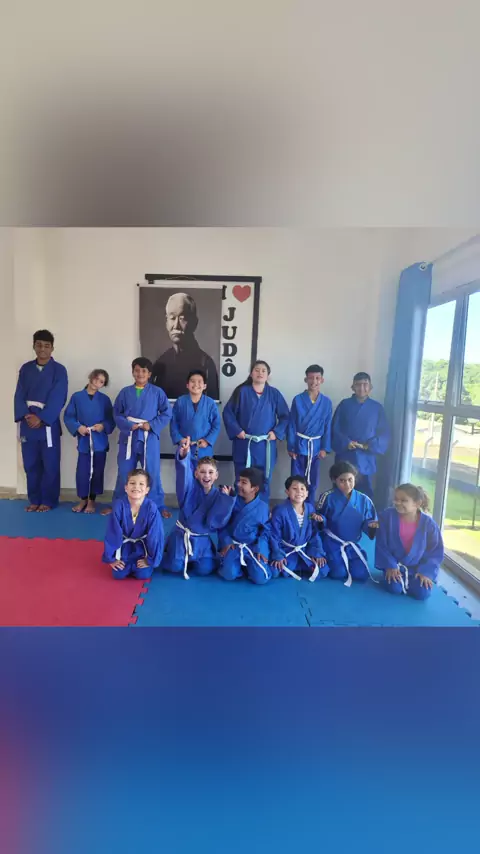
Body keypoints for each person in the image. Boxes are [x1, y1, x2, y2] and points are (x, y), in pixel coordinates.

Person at [161, 436, 235, 579]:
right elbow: (183, 475)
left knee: (205, 570)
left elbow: (218, 522)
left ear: (216, 475)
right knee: (175, 566)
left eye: (210, 472)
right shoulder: (188, 488)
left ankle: (192, 559)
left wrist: (226, 500)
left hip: (201, 541)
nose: (206, 476)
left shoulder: (219, 496)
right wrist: (184, 456)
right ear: (196, 474)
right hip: (182, 537)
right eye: (202, 472)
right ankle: (171, 550)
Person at [14, 329, 68, 512]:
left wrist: (42, 417)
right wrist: (25, 414)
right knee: (30, 463)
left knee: (50, 464)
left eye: (46, 345)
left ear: (52, 348)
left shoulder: (59, 370)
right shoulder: (26, 369)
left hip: (47, 424)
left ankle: (48, 500)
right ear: (34, 346)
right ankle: (34, 499)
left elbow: (59, 396)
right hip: (27, 421)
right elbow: (19, 394)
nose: (42, 349)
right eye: (39, 345)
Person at [222, 360, 290, 503]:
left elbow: (285, 416)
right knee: (242, 478)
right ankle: (240, 509)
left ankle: (262, 510)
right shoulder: (241, 392)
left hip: (265, 446)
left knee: (263, 478)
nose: (260, 373)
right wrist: (237, 430)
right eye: (257, 370)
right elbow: (228, 413)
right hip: (244, 443)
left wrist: (276, 432)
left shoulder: (274, 394)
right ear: (251, 373)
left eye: (263, 371)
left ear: (268, 375)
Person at [113, 357, 172, 518]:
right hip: (129, 436)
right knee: (124, 471)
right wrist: (127, 424)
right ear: (133, 372)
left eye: (144, 371)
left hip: (149, 437)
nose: (140, 374)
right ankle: (119, 505)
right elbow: (116, 413)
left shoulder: (157, 392)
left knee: (152, 471)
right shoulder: (125, 392)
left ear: (149, 374)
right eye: (137, 370)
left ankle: (157, 505)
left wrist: (151, 425)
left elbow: (167, 413)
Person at [375, 483, 444, 600]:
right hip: (394, 566)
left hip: (417, 569)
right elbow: (381, 544)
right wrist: (390, 565)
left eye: (403, 500)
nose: (398, 503)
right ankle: (391, 575)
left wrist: (426, 572)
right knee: (394, 588)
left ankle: (413, 580)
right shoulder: (387, 517)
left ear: (417, 503)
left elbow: (435, 551)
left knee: (422, 593)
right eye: (396, 499)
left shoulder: (429, 524)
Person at [315, 461, 379, 586]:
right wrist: (321, 520)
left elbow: (369, 521)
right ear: (334, 480)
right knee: (338, 573)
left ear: (355, 478)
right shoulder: (327, 497)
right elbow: (318, 519)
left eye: (350, 480)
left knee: (361, 574)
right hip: (332, 543)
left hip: (352, 543)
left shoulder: (364, 500)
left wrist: (371, 525)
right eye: (342, 481)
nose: (347, 484)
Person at [331, 372, 390, 500]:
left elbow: (384, 432)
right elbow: (335, 428)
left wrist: (369, 445)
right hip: (346, 454)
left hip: (366, 456)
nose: (361, 388)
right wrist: (346, 442)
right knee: (342, 487)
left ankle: (365, 512)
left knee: (365, 491)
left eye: (365, 384)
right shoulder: (344, 405)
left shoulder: (377, 408)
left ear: (370, 387)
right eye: (358, 385)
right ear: (352, 387)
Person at [64, 369, 115, 514]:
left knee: (97, 471)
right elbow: (69, 416)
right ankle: (83, 500)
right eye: (96, 378)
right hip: (85, 440)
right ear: (91, 377)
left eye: (101, 381)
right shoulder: (77, 397)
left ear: (103, 385)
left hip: (99, 441)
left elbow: (111, 419)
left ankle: (92, 500)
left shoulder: (105, 400)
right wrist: (77, 427)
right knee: (82, 472)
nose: (97, 383)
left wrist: (103, 426)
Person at [151, 293, 219, 400]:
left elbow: (212, 404)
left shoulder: (206, 364)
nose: (176, 325)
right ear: (166, 322)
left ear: (194, 323)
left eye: (182, 318)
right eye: (172, 318)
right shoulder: (160, 364)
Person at [103, 468, 164, 580]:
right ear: (126, 488)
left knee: (143, 574)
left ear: (147, 490)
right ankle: (125, 560)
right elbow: (113, 533)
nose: (136, 487)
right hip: (124, 547)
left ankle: (145, 561)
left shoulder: (151, 508)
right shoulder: (119, 505)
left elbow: (155, 536)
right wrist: (111, 558)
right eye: (132, 483)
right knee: (118, 574)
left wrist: (150, 559)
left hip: (143, 548)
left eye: (141, 484)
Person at [268, 475, 329, 581]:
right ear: (287, 492)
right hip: (287, 550)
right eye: (294, 488)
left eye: (302, 489)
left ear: (307, 493)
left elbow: (314, 533)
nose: (299, 492)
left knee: (323, 570)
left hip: (304, 550)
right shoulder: (280, 510)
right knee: (274, 571)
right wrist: (278, 555)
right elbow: (274, 535)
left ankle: (301, 565)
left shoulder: (310, 508)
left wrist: (317, 552)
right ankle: (297, 565)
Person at [218, 467, 271, 584]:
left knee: (261, 578)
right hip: (233, 545)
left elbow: (266, 531)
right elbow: (221, 525)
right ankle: (238, 567)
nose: (238, 484)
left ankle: (249, 567)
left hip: (252, 547)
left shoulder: (263, 508)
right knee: (228, 574)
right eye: (239, 481)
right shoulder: (232, 501)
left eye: (244, 482)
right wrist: (226, 541)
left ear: (255, 488)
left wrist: (261, 548)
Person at [287, 364, 332, 502]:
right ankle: (294, 506)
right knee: (296, 479)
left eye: (317, 378)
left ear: (322, 380)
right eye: (311, 378)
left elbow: (327, 426)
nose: (314, 381)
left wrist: (325, 448)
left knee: (313, 480)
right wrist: (291, 446)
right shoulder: (298, 399)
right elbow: (292, 424)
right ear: (306, 379)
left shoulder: (326, 402)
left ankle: (310, 507)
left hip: (316, 446)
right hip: (299, 444)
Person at [170, 370, 221, 467]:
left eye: (199, 381)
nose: (196, 384)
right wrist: (180, 439)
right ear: (187, 385)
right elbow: (173, 423)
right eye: (192, 381)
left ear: (204, 386)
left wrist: (207, 441)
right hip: (185, 447)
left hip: (204, 449)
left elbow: (216, 425)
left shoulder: (210, 403)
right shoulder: (180, 402)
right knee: (184, 474)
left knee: (204, 474)